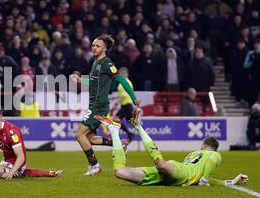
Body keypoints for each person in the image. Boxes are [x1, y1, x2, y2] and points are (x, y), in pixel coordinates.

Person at [94, 111, 249, 187]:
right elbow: (204, 178)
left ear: (204, 145)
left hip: (172, 176)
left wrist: (230, 182)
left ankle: (114, 131)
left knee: (119, 172)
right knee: (160, 164)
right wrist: (207, 179)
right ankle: (138, 127)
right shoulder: (214, 155)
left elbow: (206, 179)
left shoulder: (200, 153)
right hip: (181, 173)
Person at [71, 34, 140, 176]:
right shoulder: (95, 63)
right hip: (94, 105)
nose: (94, 48)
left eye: (97, 46)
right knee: (89, 138)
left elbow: (122, 80)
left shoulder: (107, 63)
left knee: (79, 134)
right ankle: (119, 144)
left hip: (99, 106)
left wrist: (133, 98)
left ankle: (95, 165)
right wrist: (80, 80)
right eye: (93, 46)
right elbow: (92, 81)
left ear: (104, 49)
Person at [104, 67, 137, 141]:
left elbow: (123, 96)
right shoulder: (123, 83)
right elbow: (122, 94)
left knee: (115, 119)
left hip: (126, 106)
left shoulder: (125, 83)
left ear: (126, 74)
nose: (120, 75)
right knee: (133, 123)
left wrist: (115, 105)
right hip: (126, 106)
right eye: (120, 74)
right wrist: (113, 98)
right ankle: (130, 134)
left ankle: (129, 134)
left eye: (122, 73)